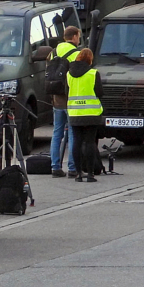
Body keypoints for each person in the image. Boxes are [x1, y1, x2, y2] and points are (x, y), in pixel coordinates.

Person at [48, 26, 82, 178]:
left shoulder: (53, 52)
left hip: (56, 99)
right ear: (74, 36)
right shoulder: (76, 54)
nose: (79, 40)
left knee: (57, 133)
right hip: (71, 99)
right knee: (72, 133)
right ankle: (72, 168)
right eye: (78, 37)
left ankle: (55, 166)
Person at [66, 47, 105, 183]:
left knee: (76, 142)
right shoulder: (93, 73)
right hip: (91, 113)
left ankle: (78, 173)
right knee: (89, 142)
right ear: (90, 59)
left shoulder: (69, 74)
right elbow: (99, 92)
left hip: (75, 112)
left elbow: (67, 92)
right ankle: (90, 174)